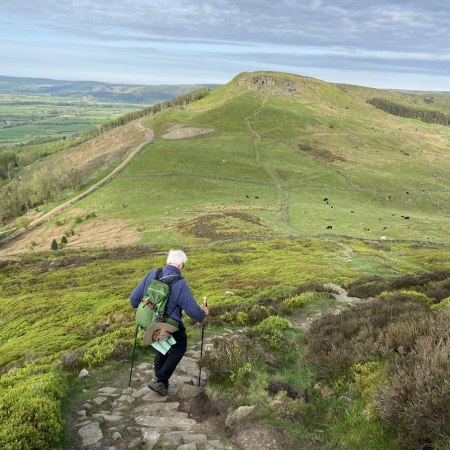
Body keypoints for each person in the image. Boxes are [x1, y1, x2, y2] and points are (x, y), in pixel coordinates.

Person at [130, 249, 208, 396]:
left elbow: (134, 300)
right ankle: (160, 380)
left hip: (151, 322)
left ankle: (161, 382)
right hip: (168, 324)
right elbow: (194, 313)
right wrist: (203, 313)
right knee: (179, 346)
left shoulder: (153, 274)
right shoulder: (180, 283)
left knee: (161, 346)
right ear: (181, 265)